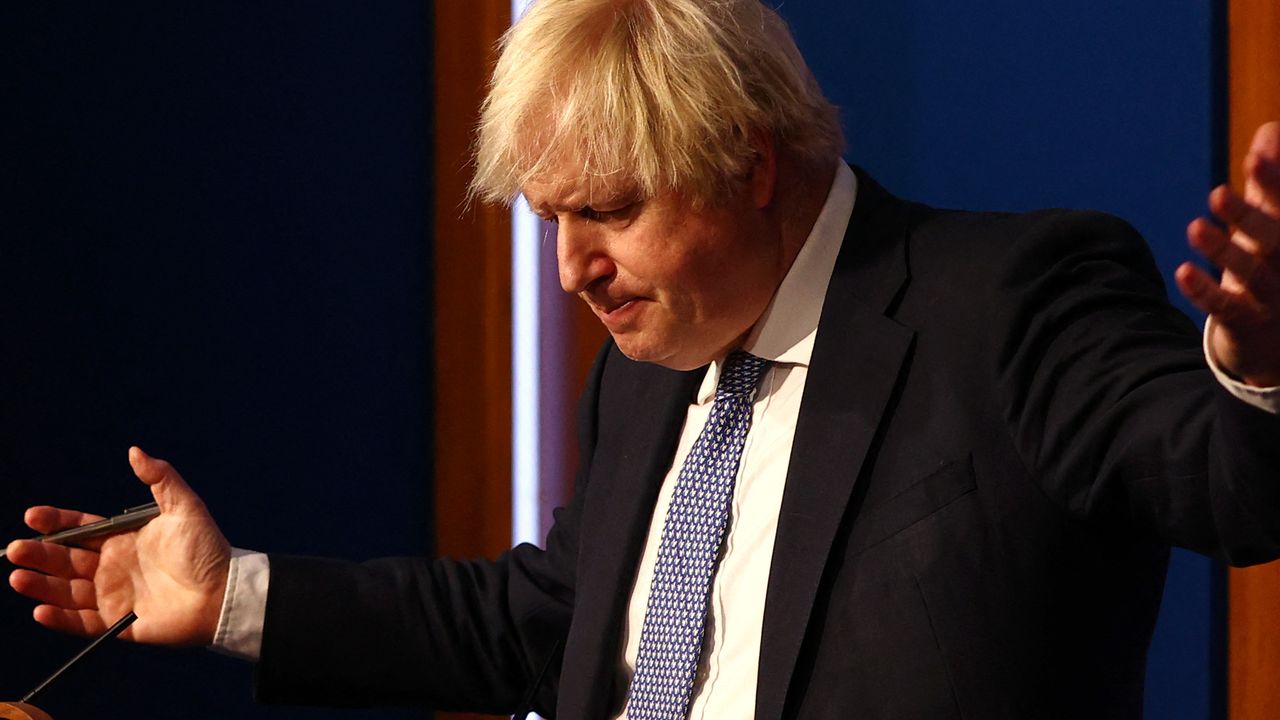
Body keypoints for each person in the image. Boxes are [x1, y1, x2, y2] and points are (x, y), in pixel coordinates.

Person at [8, 0, 1280, 716]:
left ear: (747, 165)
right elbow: (552, 625)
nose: (570, 271)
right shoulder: (647, 362)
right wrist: (233, 595)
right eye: (550, 221)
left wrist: (1257, 359)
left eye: (607, 212)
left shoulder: (1007, 297)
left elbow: (1225, 482)